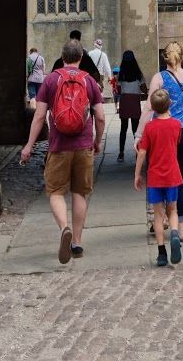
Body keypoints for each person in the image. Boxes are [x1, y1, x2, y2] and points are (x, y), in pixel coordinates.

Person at [20, 40, 106, 265]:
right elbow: (100, 116)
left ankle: (64, 228)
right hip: (83, 145)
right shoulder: (89, 81)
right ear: (80, 58)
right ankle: (76, 241)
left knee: (56, 192)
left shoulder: (50, 80)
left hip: (58, 146)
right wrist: (97, 141)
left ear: (62, 57)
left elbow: (39, 116)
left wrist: (29, 146)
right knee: (80, 192)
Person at [145, 40, 183, 242]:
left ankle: (164, 218)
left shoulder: (159, 78)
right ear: (181, 57)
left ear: (165, 57)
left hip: (164, 132)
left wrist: (141, 134)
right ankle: (182, 228)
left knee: (162, 176)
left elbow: (150, 107)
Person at [134, 87, 183, 267]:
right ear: (169, 104)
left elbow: (142, 152)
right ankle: (175, 233)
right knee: (173, 210)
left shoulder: (149, 127)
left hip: (155, 177)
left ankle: (162, 253)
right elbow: (176, 142)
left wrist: (137, 174)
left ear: (153, 108)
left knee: (157, 214)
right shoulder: (177, 124)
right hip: (172, 174)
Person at [115, 49, 146, 161]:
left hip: (125, 100)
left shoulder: (121, 74)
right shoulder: (138, 74)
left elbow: (118, 89)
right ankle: (137, 152)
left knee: (123, 128)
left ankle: (121, 153)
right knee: (135, 128)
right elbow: (144, 88)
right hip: (134, 101)